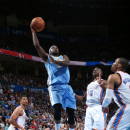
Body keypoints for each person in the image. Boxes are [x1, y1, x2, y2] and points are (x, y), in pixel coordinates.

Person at [30, 25, 76, 130]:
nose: (55, 47)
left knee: (71, 112)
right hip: (55, 87)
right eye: (52, 47)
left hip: (67, 87)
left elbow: (67, 63)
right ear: (50, 51)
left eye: (56, 47)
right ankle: (57, 128)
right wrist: (33, 33)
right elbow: (37, 45)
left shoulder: (63, 57)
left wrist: (55, 61)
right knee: (58, 107)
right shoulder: (47, 58)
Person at [102, 58, 130, 130]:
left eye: (114, 62)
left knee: (111, 128)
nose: (112, 64)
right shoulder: (128, 76)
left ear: (119, 66)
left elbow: (107, 99)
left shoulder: (113, 77)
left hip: (126, 108)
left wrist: (104, 106)